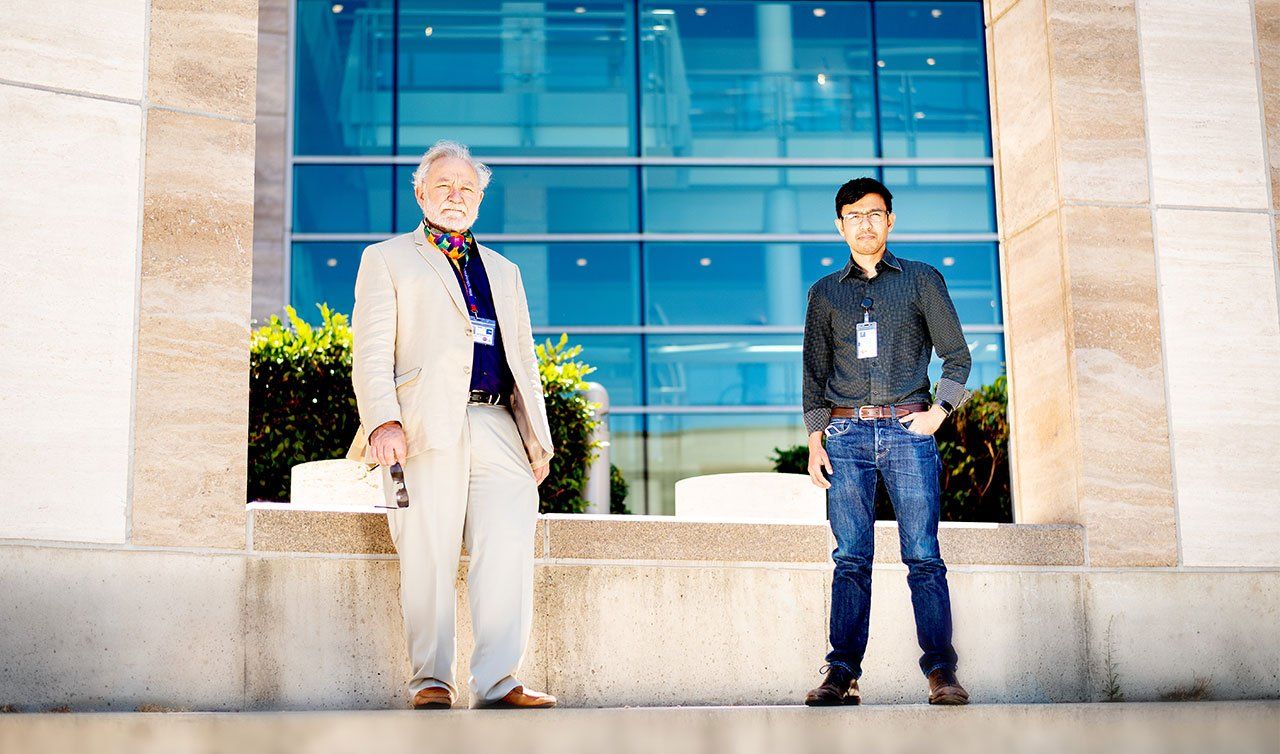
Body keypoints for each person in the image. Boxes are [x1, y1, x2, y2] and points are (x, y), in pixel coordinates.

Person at [347, 139, 556, 710]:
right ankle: (431, 679)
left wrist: (537, 439)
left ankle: (499, 681)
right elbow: (370, 352)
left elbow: (524, 357)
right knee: (427, 551)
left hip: (498, 424)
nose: (455, 196)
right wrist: (382, 421)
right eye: (444, 186)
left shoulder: (506, 271)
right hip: (421, 425)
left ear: (480, 199)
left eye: (467, 188)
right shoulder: (386, 259)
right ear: (421, 192)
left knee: (509, 548)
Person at [801, 177, 972, 707]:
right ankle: (842, 673)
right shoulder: (825, 293)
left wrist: (938, 413)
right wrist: (814, 439)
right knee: (850, 557)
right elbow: (813, 374)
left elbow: (958, 359)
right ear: (840, 225)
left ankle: (941, 671)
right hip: (845, 435)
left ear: (890, 221)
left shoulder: (921, 280)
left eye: (875, 214)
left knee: (923, 555)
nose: (865, 224)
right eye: (854, 215)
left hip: (907, 431)